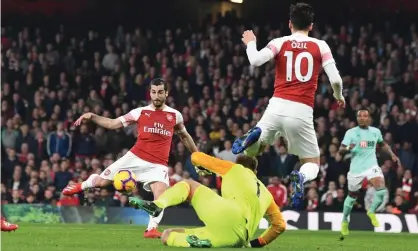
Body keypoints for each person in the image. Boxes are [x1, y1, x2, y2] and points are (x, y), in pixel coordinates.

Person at [232, 2, 345, 208]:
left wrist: (251, 42)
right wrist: (339, 95)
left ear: (289, 23)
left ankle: (254, 135)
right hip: (301, 111)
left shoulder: (280, 42)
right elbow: (336, 80)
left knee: (251, 153)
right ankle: (300, 177)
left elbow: (255, 61)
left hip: (276, 106)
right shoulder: (321, 46)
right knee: (312, 163)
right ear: (311, 26)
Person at [62, 78, 199, 238]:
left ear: (166, 93)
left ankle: (151, 229)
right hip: (135, 157)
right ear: (150, 93)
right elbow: (113, 124)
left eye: (160, 92)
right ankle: (84, 184)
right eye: (153, 92)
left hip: (158, 164)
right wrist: (92, 116)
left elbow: (185, 136)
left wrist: (197, 155)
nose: (156, 96)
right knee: (102, 183)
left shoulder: (175, 116)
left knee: (160, 194)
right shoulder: (139, 112)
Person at [129, 153, 286, 248]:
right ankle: (193, 242)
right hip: (238, 239)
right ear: (255, 171)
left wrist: (201, 167)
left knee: (189, 184)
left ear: (238, 164)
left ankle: (158, 205)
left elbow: (196, 157)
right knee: (167, 235)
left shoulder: (234, 168)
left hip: (229, 214)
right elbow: (279, 225)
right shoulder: (267, 193)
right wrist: (256, 243)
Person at [338, 109, 399, 236]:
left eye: (364, 116)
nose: (361, 118)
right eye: (359, 116)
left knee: (381, 189)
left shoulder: (375, 132)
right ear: (357, 118)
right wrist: (349, 147)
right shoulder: (351, 133)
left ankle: (371, 211)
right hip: (356, 169)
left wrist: (392, 155)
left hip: (371, 166)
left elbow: (383, 144)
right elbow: (340, 151)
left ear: (369, 118)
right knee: (351, 196)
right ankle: (344, 220)